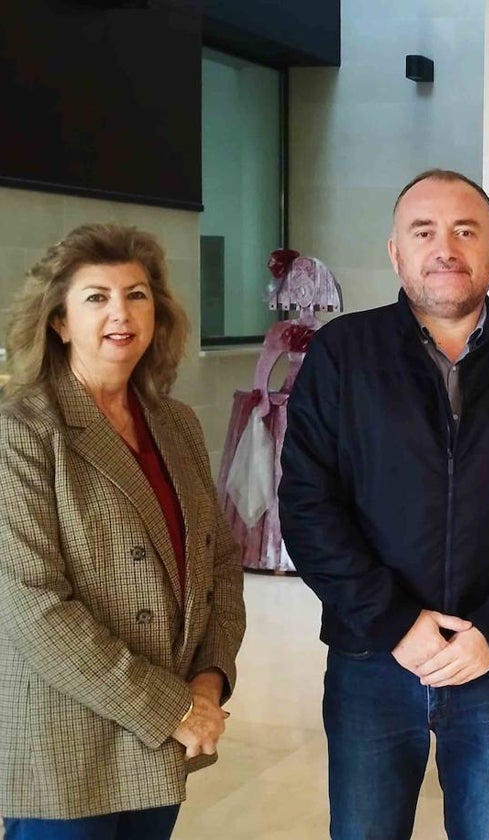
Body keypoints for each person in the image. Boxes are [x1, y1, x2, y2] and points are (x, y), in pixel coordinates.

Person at [278, 169, 489, 840]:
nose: (445, 247)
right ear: (396, 252)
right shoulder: (344, 354)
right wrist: (394, 621)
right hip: (373, 658)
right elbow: (309, 504)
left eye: (465, 230)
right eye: (424, 232)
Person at [0, 224, 246, 838]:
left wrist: (209, 680)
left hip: (164, 734)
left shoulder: (176, 423)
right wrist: (173, 708)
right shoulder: (23, 431)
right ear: (58, 321)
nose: (121, 313)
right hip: (66, 738)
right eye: (96, 297)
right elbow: (34, 611)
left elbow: (219, 563)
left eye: (137, 295)